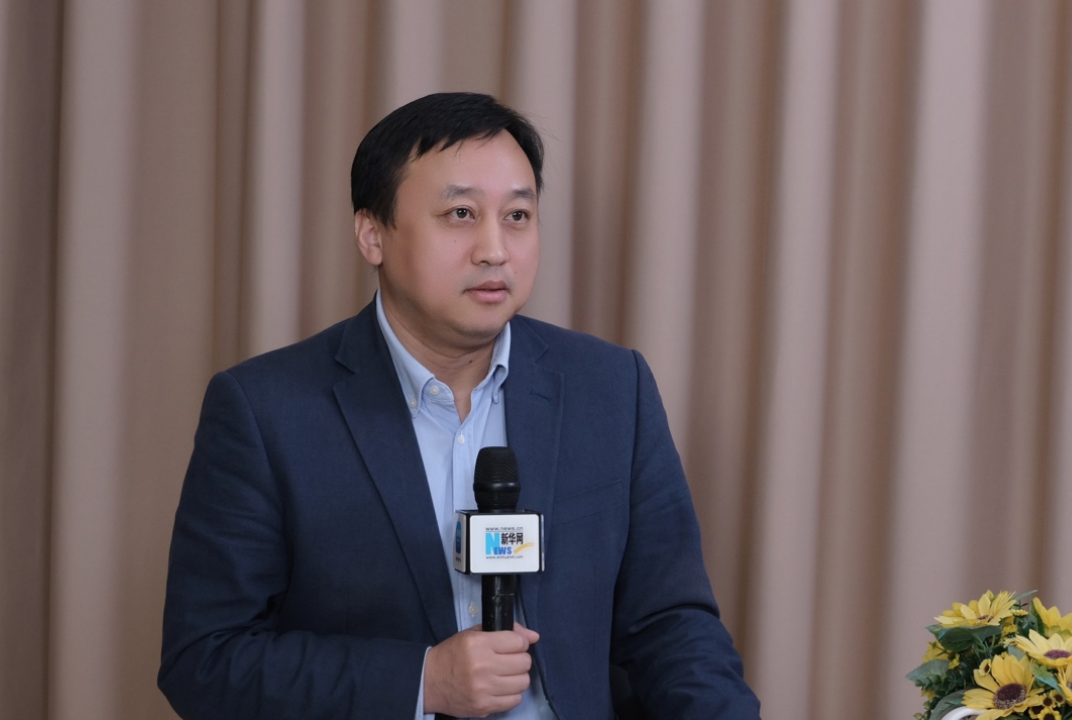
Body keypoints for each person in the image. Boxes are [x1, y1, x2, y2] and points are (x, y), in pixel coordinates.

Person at [158, 92, 760, 719]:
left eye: (518, 216)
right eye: (462, 214)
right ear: (372, 234)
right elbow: (205, 660)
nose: (494, 249)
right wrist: (423, 681)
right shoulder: (266, 411)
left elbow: (669, 625)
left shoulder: (610, 388)